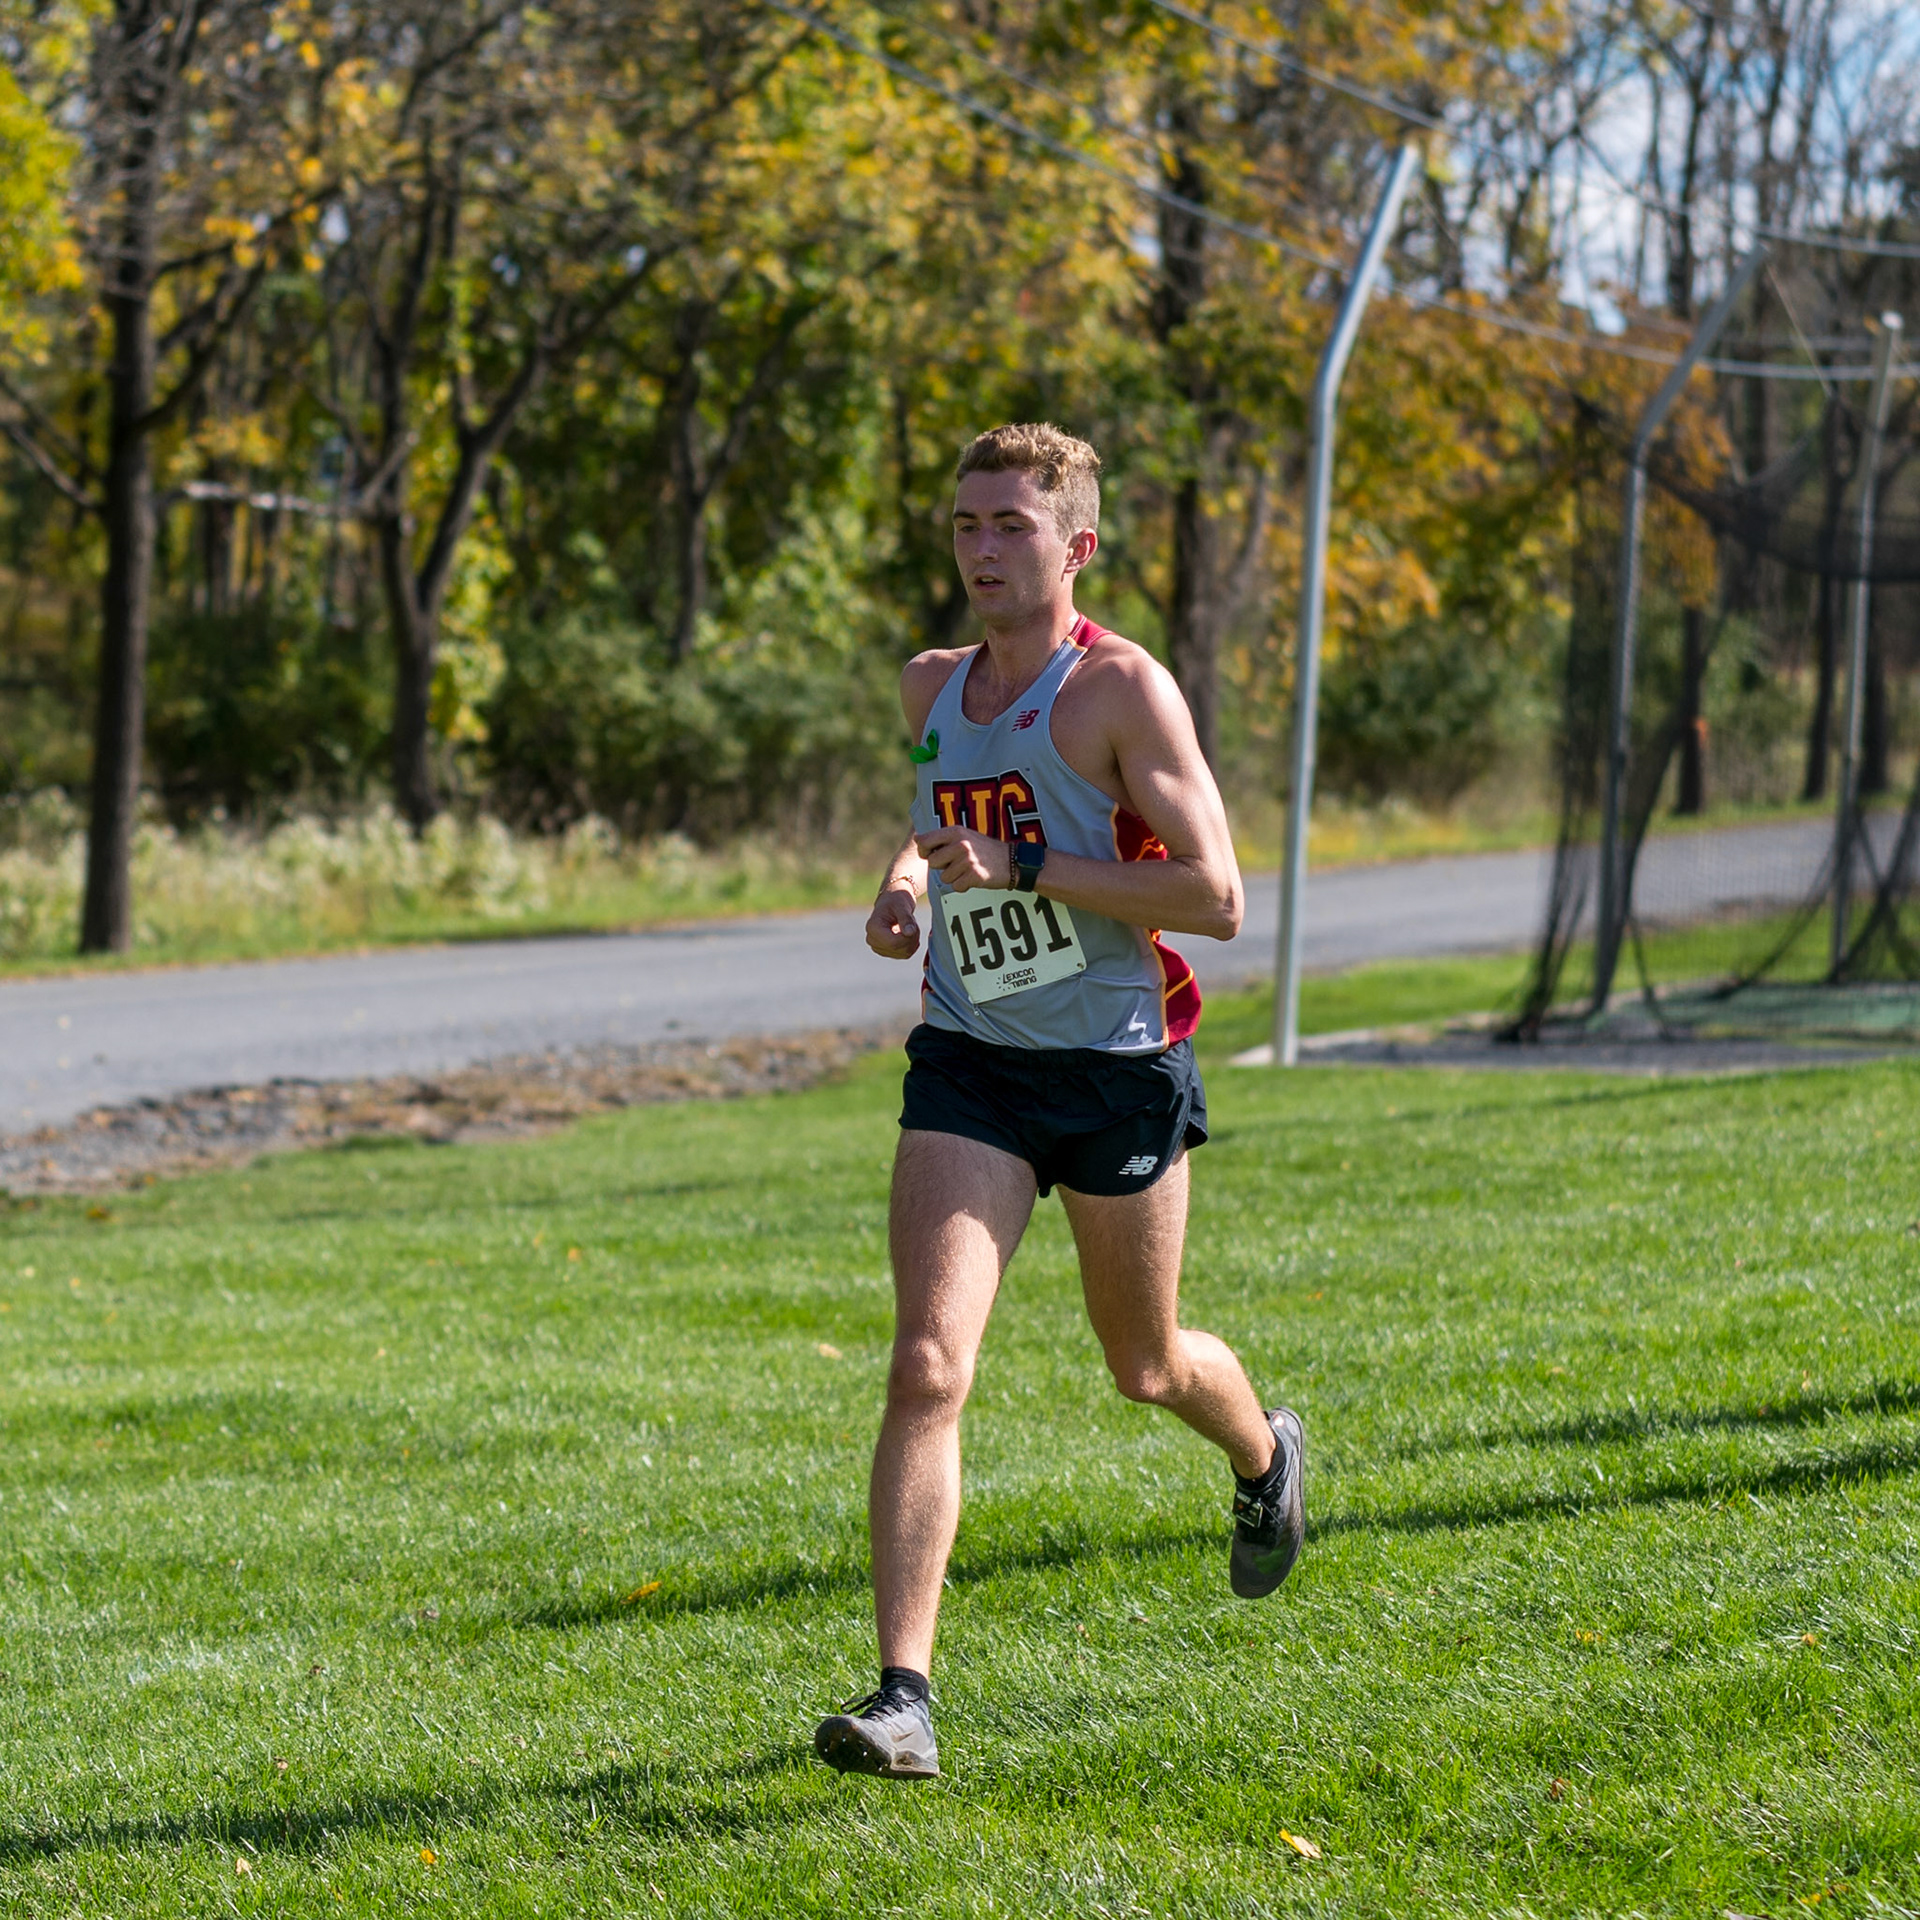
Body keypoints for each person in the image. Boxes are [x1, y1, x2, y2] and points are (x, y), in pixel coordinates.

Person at [812, 423, 1303, 1782]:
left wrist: (1019, 867)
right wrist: (906, 886)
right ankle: (903, 1699)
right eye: (965, 525)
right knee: (927, 1364)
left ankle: (1263, 1455)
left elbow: (1216, 896)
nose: (981, 549)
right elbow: (936, 822)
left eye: (1010, 527)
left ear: (1076, 545)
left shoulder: (1121, 692)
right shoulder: (931, 684)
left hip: (1116, 1066)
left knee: (1146, 1365)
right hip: (971, 1062)